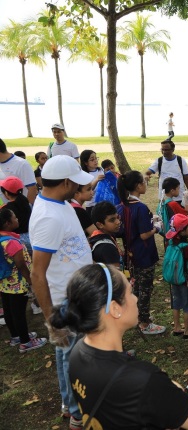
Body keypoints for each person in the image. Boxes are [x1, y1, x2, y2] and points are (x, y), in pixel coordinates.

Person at [49, 264, 188, 429]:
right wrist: (174, 389)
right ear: (115, 308)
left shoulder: (77, 353)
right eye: (131, 292)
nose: (136, 299)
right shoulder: (145, 380)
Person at [29, 155, 94, 430]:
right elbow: (37, 273)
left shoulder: (60, 202)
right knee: (72, 356)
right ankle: (77, 413)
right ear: (65, 182)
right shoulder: (48, 218)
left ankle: (70, 404)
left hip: (78, 292)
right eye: (75, 183)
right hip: (66, 300)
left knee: (70, 353)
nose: (78, 188)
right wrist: (51, 320)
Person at [116, 170, 166, 335]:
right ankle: (144, 323)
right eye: (144, 182)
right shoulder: (140, 208)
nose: (146, 185)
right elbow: (144, 234)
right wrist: (156, 227)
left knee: (136, 287)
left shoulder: (122, 206)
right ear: (138, 186)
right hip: (144, 255)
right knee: (144, 289)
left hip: (131, 254)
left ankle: (137, 316)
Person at [0, 207, 47, 352]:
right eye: (14, 217)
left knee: (8, 310)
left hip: (4, 283)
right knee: (19, 312)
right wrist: (30, 280)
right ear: (8, 223)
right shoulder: (12, 243)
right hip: (17, 283)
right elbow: (20, 264)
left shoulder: (2, 239)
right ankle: (26, 342)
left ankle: (16, 336)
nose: (17, 219)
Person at [165, 214, 188, 339]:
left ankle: (177, 327)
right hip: (186, 280)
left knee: (176, 302)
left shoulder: (170, 243)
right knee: (187, 304)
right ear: (183, 231)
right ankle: (187, 331)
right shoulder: (187, 248)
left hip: (174, 279)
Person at [0, 137, 38, 204]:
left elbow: (32, 189)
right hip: (8, 209)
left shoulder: (22, 164)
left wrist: (26, 209)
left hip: (22, 210)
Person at [89, 201, 122, 268]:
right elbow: (115, 275)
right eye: (112, 220)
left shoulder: (96, 237)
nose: (118, 222)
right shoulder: (107, 247)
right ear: (100, 224)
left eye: (117, 217)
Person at [79, 150, 104, 218]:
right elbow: (87, 189)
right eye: (92, 159)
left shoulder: (101, 170)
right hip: (92, 204)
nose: (95, 161)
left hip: (102, 202)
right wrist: (96, 180)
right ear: (86, 162)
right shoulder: (85, 175)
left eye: (96, 158)